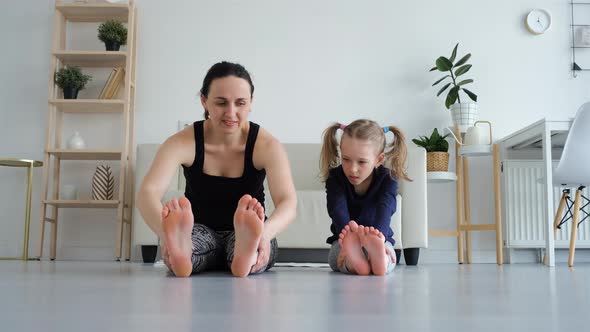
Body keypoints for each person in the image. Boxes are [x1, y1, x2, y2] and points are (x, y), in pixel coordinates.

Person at [136, 61, 297, 277]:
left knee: (250, 248)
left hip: (249, 233)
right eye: (221, 103)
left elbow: (288, 201)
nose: (231, 113)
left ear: (251, 102)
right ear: (204, 100)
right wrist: (165, 235)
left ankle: (245, 252)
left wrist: (265, 235)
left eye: (240, 103)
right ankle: (183, 250)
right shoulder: (182, 142)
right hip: (199, 230)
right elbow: (147, 193)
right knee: (193, 246)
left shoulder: (267, 145)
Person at [320, 119, 410, 276]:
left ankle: (377, 260)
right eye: (346, 159)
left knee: (388, 253)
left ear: (379, 160)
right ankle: (354, 260)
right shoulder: (335, 178)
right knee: (337, 255)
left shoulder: (388, 178)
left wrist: (379, 239)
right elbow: (337, 211)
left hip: (379, 240)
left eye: (362, 162)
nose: (352, 169)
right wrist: (347, 238)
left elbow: (385, 210)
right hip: (345, 241)